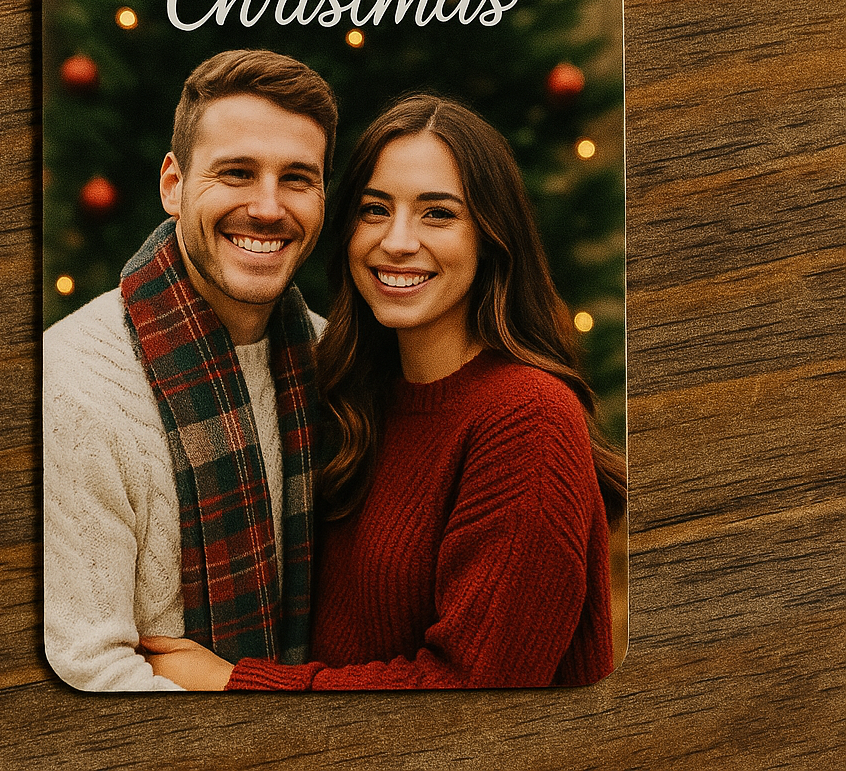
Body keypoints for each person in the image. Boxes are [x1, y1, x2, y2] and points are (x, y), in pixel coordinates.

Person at [141, 93, 627, 690]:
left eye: (438, 214)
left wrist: (233, 683)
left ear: (490, 237)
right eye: (375, 210)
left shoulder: (528, 419)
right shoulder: (348, 394)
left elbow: (479, 690)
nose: (397, 241)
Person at [43, 49, 337, 690]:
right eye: (235, 173)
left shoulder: (331, 360)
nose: (267, 207)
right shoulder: (72, 387)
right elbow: (87, 677)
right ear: (173, 184)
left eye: (297, 178)